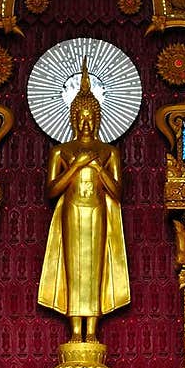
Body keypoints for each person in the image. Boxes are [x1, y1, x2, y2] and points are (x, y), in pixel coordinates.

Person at [37, 58, 130, 344]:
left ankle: (93, 331)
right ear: (73, 118)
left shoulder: (108, 152)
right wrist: (76, 166)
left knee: (95, 269)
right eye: (81, 116)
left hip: (98, 212)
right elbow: (51, 191)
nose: (86, 122)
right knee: (73, 268)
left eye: (91, 116)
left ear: (99, 117)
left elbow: (117, 191)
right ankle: (76, 329)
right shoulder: (61, 152)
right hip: (72, 213)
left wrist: (98, 167)